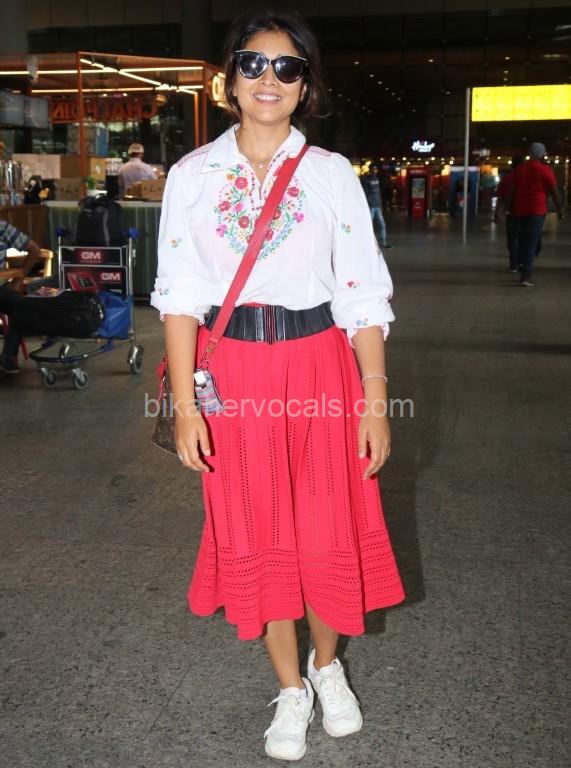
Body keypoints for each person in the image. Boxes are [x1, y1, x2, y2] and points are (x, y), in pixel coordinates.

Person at [151, 9, 404, 762]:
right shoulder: (192, 176)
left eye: (287, 67)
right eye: (253, 64)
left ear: (304, 86)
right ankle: (290, 688)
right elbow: (178, 298)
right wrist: (186, 406)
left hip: (321, 367)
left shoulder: (329, 175)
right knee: (258, 532)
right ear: (229, 80)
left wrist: (374, 401)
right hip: (233, 374)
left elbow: (362, 294)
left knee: (326, 529)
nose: (269, 79)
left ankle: (328, 668)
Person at [508, 143, 563, 287]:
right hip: (537, 210)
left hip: (519, 210)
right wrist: (560, 208)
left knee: (523, 240)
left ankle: (522, 265)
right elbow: (554, 191)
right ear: (542, 154)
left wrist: (508, 208)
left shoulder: (519, 169)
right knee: (532, 242)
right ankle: (526, 275)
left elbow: (512, 190)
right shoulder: (545, 170)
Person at [0, 219, 41, 373]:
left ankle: (8, 357)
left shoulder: (2, 227)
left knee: (20, 304)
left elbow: (34, 249)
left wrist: (18, 280)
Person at [495, 155, 524, 272]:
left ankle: (513, 263)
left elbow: (500, 197)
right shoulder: (526, 178)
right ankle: (522, 261)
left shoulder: (507, 178)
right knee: (524, 238)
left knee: (512, 239)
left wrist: (497, 213)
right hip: (527, 212)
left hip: (511, 212)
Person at [361, 163, 392, 248]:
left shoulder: (376, 179)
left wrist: (380, 203)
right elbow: (364, 193)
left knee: (382, 224)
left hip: (377, 206)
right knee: (369, 226)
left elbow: (378, 192)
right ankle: (367, 243)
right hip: (370, 206)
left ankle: (383, 243)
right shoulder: (366, 179)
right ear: (370, 170)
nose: (375, 170)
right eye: (373, 169)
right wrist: (366, 205)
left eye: (376, 169)